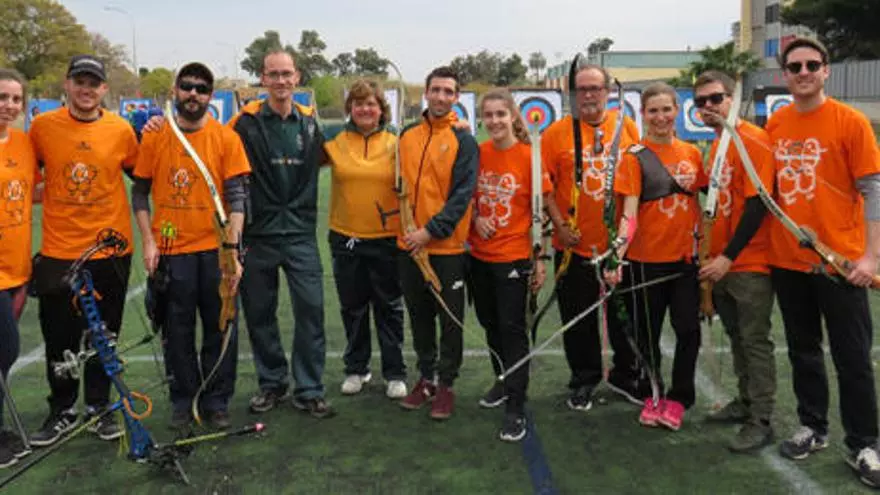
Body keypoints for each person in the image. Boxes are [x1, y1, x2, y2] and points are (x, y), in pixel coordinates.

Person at [766, 37, 880, 488]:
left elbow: (873, 189)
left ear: (826, 70)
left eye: (812, 64)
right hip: (789, 261)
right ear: (784, 75)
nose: (803, 72)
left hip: (841, 263)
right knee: (803, 350)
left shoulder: (850, 121)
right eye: (794, 67)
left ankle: (864, 443)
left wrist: (870, 256)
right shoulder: (776, 123)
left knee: (853, 357)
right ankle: (813, 426)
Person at [28, 55, 138, 446]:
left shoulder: (121, 129)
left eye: (93, 83)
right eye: (80, 81)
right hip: (60, 251)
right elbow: (25, 176)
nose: (86, 89)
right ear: (67, 84)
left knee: (103, 335)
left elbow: (141, 175)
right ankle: (61, 409)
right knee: (60, 336)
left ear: (104, 88)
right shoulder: (42, 127)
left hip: (110, 251)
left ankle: (99, 407)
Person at [132, 62, 249, 429]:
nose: (193, 94)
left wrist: (232, 250)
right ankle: (183, 400)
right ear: (175, 91)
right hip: (172, 251)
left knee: (221, 327)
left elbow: (237, 197)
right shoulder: (155, 136)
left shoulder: (226, 138)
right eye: (187, 86)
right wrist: (148, 241)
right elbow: (139, 192)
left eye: (201, 88)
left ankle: (216, 401)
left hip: (215, 251)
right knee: (176, 331)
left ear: (210, 96)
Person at [229, 50, 335, 418]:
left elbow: (354, 139)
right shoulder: (244, 123)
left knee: (311, 310)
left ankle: (309, 389)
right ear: (263, 78)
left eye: (286, 74)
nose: (280, 80)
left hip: (300, 235)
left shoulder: (310, 123)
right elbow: (213, 145)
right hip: (258, 235)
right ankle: (272, 383)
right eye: (273, 74)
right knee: (260, 314)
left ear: (297, 77)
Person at [540, 63, 642, 411]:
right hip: (573, 246)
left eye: (595, 88)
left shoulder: (627, 127)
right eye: (581, 89)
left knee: (622, 317)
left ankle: (625, 374)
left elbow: (637, 181)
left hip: (618, 246)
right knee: (578, 319)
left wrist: (623, 239)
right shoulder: (556, 133)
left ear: (607, 92)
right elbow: (546, 187)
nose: (588, 95)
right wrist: (559, 225)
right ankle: (584, 378)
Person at [609, 82, 707, 431]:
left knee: (688, 330)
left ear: (677, 111)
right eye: (653, 111)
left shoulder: (692, 153)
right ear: (643, 114)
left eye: (667, 109)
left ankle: (679, 398)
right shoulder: (633, 157)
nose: (661, 117)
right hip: (645, 262)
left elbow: (705, 203)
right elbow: (629, 214)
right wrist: (617, 256)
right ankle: (653, 391)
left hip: (684, 262)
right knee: (646, 333)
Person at [694, 70, 777, 452]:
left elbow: (757, 205)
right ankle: (745, 402)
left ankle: (762, 419)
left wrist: (728, 257)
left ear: (732, 99)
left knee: (754, 340)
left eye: (716, 98)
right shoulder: (718, 144)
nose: (709, 106)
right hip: (721, 263)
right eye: (701, 102)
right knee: (737, 338)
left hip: (748, 263)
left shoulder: (753, 140)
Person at [469, 88, 551, 441]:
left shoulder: (530, 157)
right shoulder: (478, 153)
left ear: (513, 116)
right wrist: (476, 218)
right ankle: (503, 380)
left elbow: (542, 212)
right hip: (478, 256)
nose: (494, 121)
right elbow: (468, 198)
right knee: (490, 324)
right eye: (488, 115)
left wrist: (541, 259)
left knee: (512, 329)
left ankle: (516, 404)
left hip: (514, 256)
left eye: (500, 114)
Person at [397, 66, 478, 420]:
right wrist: (410, 234)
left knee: (450, 321)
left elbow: (462, 196)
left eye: (448, 91)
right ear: (425, 93)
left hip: (446, 248)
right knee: (419, 318)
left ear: (456, 97)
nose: (441, 96)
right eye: (436, 90)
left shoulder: (464, 140)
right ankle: (426, 378)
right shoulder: (406, 136)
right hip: (409, 247)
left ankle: (446, 384)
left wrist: (430, 231)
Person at [323, 79, 407, 399]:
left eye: (371, 103)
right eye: (358, 103)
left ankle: (395, 372)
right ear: (350, 108)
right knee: (353, 308)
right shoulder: (334, 140)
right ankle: (357, 369)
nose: (364, 109)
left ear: (381, 109)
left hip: (387, 238)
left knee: (389, 308)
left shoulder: (397, 142)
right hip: (346, 237)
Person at [0, 68, 39, 466]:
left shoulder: (23, 143)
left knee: (5, 354)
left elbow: (31, 190)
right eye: (1, 97)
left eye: (15, 99)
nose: (8, 105)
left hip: (17, 269)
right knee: (4, 348)